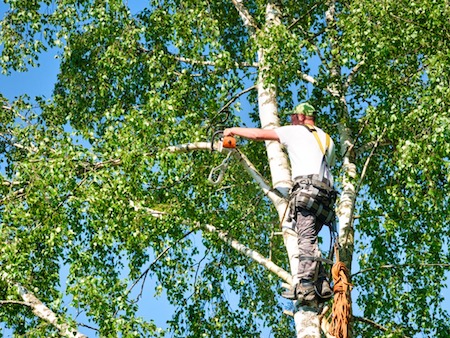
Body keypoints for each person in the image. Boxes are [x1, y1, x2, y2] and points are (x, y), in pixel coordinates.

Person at [224, 102, 336, 304]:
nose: (291, 120)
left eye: (293, 116)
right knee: (311, 238)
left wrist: (233, 130)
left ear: (301, 117)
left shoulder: (296, 131)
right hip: (326, 198)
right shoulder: (328, 139)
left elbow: (259, 135)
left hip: (307, 193)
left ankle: (306, 286)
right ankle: (322, 282)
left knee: (305, 239)